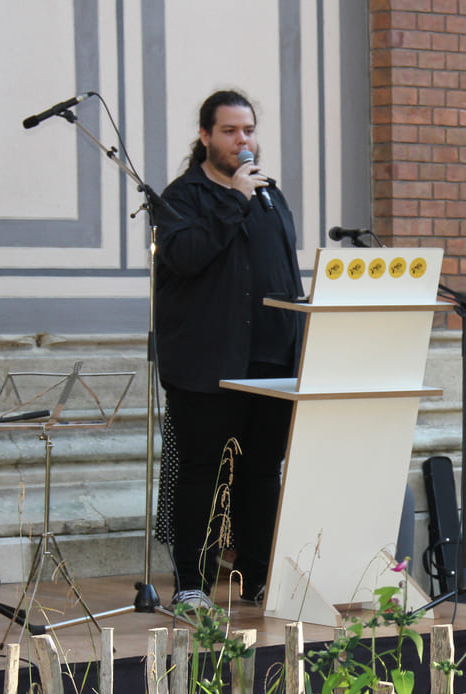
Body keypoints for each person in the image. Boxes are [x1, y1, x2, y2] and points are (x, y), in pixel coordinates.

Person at [154, 89, 303, 610]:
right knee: (201, 471)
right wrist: (234, 199)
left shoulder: (271, 196)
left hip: (269, 360)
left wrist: (301, 348)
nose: (243, 141)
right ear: (205, 137)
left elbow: (286, 275)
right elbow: (188, 257)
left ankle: (258, 579)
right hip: (206, 363)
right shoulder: (181, 198)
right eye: (230, 131)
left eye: (248, 130)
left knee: (263, 473)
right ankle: (191, 585)